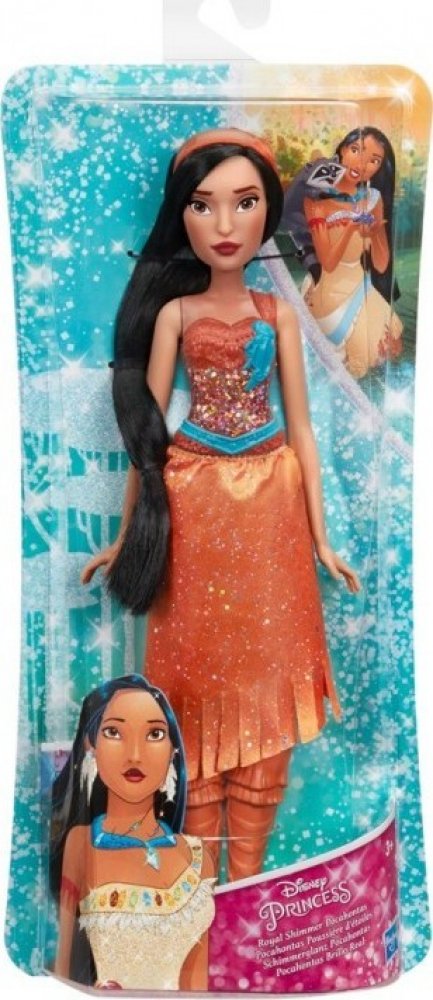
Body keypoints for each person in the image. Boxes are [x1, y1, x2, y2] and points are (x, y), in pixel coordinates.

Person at [81, 127, 361, 882]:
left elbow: (301, 427)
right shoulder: (175, 315)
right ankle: (203, 885)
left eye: (245, 203)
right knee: (194, 685)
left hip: (271, 503)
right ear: (182, 216)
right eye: (203, 206)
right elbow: (148, 438)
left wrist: (321, 540)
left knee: (270, 675)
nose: (226, 224)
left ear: (269, 209)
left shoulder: (277, 315)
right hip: (193, 499)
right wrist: (125, 537)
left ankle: (252, 885)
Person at [50, 674, 215, 990]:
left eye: (155, 734)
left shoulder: (197, 859)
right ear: (91, 745)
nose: (135, 754)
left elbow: (197, 984)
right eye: (114, 732)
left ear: (172, 750)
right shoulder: (81, 843)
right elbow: (63, 966)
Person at [283, 127, 403, 378]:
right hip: (328, 291)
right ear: (341, 150)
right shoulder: (316, 197)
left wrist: (375, 234)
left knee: (390, 347)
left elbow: (381, 264)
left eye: (373, 160)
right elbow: (328, 262)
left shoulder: (373, 198)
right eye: (356, 150)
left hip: (359, 285)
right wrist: (350, 228)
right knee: (357, 360)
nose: (362, 164)